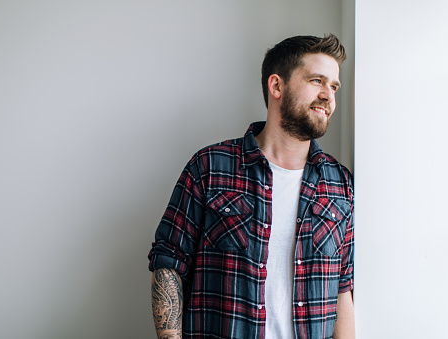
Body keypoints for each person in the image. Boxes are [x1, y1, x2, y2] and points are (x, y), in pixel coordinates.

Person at [148, 34, 355, 339]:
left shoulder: (339, 184)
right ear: (277, 86)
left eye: (334, 86)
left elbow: (343, 288)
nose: (329, 95)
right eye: (316, 81)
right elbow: (168, 263)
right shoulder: (210, 167)